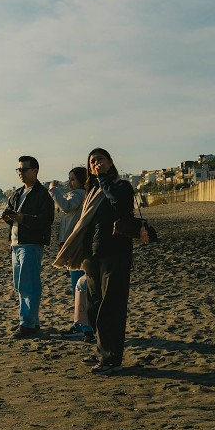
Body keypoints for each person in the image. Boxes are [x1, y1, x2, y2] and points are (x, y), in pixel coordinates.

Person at [52, 147, 137, 374]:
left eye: (100, 159)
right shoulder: (92, 191)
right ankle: (101, 351)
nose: (96, 163)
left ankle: (111, 359)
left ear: (110, 162)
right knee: (95, 307)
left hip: (115, 252)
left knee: (112, 307)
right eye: (92, 161)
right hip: (93, 255)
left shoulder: (120, 186)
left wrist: (103, 180)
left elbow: (120, 206)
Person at [2, 155, 55, 338]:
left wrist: (22, 218)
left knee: (28, 284)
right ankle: (30, 321)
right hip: (17, 243)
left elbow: (47, 220)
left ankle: (28, 324)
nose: (21, 173)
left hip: (31, 243)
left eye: (24, 169)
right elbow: (11, 214)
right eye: (19, 170)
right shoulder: (17, 193)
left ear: (35, 171)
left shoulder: (42, 195)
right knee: (20, 284)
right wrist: (9, 218)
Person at [49, 166, 93, 341]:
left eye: (73, 179)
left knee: (78, 287)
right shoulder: (87, 196)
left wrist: (53, 190)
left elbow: (66, 207)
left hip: (74, 245)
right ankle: (82, 325)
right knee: (81, 286)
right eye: (69, 179)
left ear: (82, 181)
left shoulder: (78, 194)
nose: (70, 182)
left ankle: (82, 326)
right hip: (80, 243)